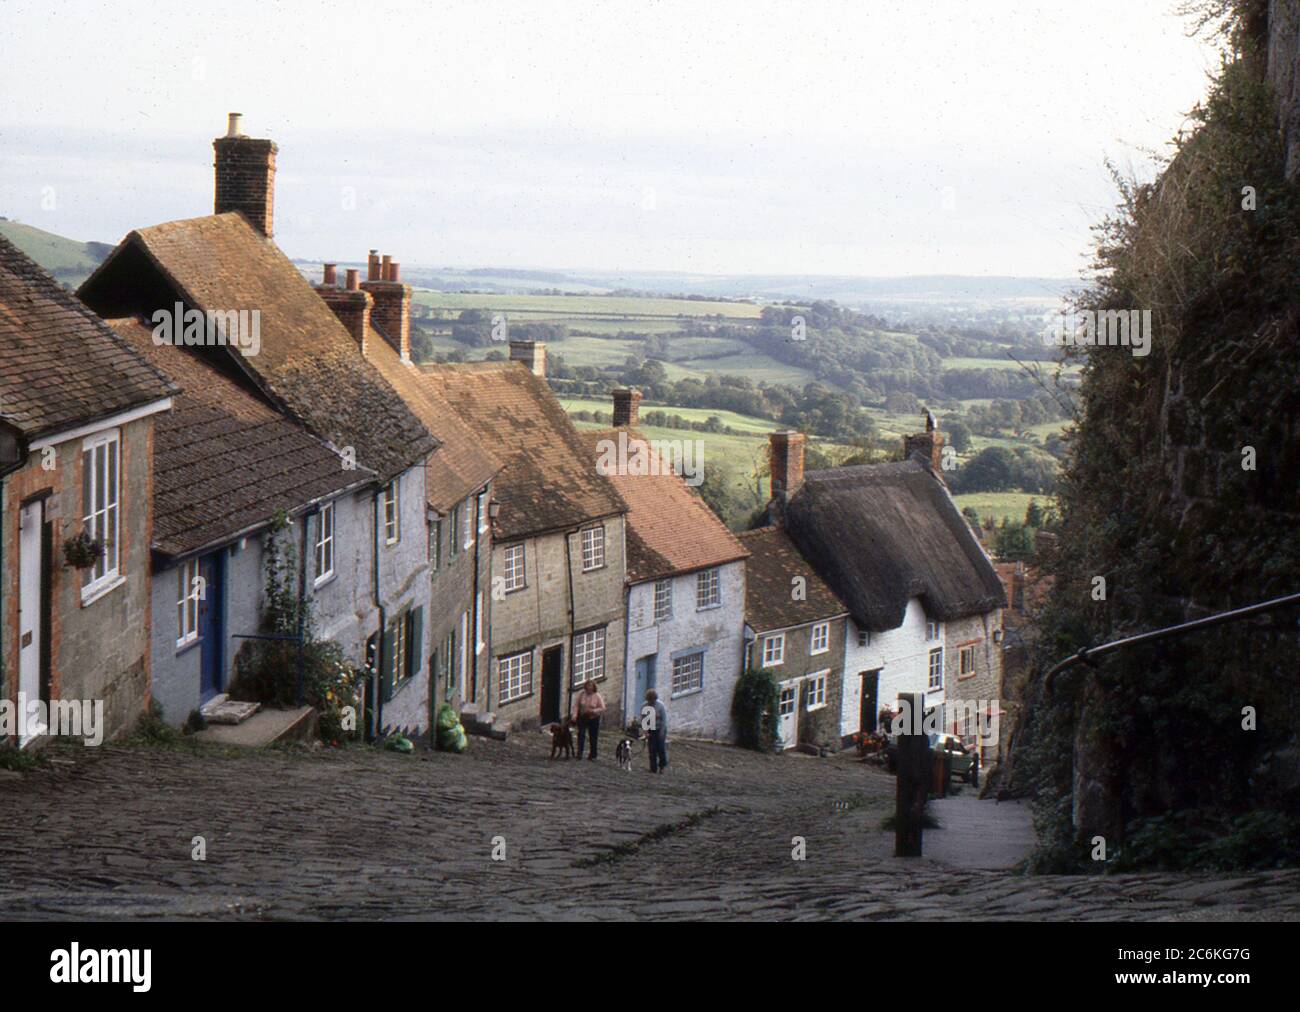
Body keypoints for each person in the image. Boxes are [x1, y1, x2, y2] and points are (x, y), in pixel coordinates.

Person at [572, 679, 606, 760]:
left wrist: (593, 711)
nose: (588, 689)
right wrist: (574, 715)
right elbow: (576, 705)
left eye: (590, 687)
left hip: (593, 718)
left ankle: (593, 755)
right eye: (587, 687)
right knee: (581, 734)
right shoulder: (581, 694)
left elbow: (602, 708)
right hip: (582, 717)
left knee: (593, 736)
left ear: (593, 688)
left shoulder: (597, 696)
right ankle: (579, 753)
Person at [643, 689, 669, 773]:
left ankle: (662, 766)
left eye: (652, 700)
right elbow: (644, 720)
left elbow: (664, 720)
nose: (651, 702)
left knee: (661, 748)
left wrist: (662, 732)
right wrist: (646, 732)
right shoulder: (644, 706)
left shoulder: (660, 706)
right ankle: (653, 768)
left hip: (660, 728)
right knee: (652, 749)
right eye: (649, 701)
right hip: (651, 729)